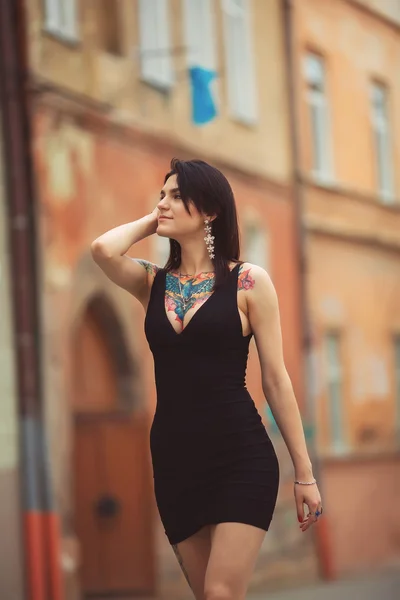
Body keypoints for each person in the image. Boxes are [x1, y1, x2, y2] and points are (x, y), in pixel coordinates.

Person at [91, 158, 322, 600]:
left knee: (220, 593)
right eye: (162, 194)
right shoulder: (151, 283)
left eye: (177, 196)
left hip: (241, 456)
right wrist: (152, 220)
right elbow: (102, 250)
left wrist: (304, 474)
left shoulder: (250, 282)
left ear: (210, 210)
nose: (164, 203)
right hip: (175, 461)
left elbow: (275, 379)